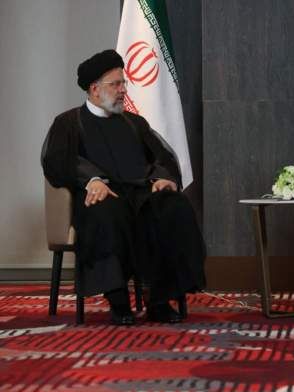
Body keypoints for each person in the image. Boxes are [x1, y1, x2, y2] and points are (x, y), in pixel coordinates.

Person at [41, 49, 206, 325]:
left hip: (141, 194)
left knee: (174, 207)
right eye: (116, 84)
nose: (123, 90)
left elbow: (161, 157)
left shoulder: (134, 123)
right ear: (94, 89)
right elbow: (58, 162)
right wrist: (93, 180)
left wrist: (162, 177)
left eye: (123, 83)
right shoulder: (68, 123)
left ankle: (160, 300)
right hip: (101, 196)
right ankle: (118, 300)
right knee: (105, 213)